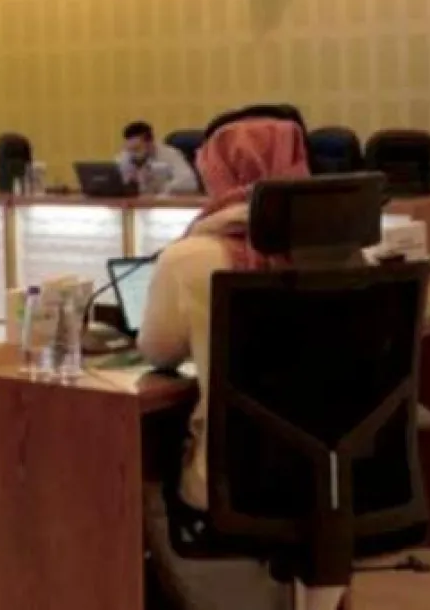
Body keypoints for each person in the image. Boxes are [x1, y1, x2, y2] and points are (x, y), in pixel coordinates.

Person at [138, 114, 343, 610]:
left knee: (138, 469)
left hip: (231, 484)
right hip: (338, 479)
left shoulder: (190, 257)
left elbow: (157, 351)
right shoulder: (345, 250)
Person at [117, 121, 199, 195]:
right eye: (129, 149)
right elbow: (115, 182)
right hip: (139, 204)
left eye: (137, 149)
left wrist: (164, 190)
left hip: (167, 205)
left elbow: (189, 182)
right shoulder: (125, 157)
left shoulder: (170, 154)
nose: (133, 154)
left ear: (150, 143)